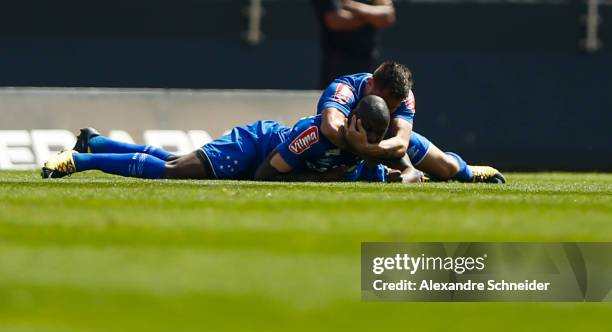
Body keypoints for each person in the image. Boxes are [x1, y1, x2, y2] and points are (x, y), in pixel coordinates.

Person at [41, 96, 396, 183]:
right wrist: (325, 179)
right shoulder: (314, 135)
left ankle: (96, 143)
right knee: (175, 170)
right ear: (352, 121)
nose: (373, 141)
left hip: (260, 154)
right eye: (368, 133)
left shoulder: (371, 149)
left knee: (173, 159)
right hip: (253, 146)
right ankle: (79, 161)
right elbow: (266, 175)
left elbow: (410, 167)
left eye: (379, 137)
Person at [317, 60, 506, 183]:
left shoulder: (405, 97)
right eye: (384, 104)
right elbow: (331, 128)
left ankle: (470, 173)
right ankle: (417, 175)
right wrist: (361, 146)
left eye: (393, 108)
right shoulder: (344, 88)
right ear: (369, 85)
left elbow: (401, 143)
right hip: (338, 148)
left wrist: (368, 149)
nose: (387, 112)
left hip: (380, 145)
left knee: (446, 169)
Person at [311, 0, 396, 89]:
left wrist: (355, 7)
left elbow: (387, 16)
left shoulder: (353, 6)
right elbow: (336, 20)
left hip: (368, 60)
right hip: (337, 61)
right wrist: (372, 17)